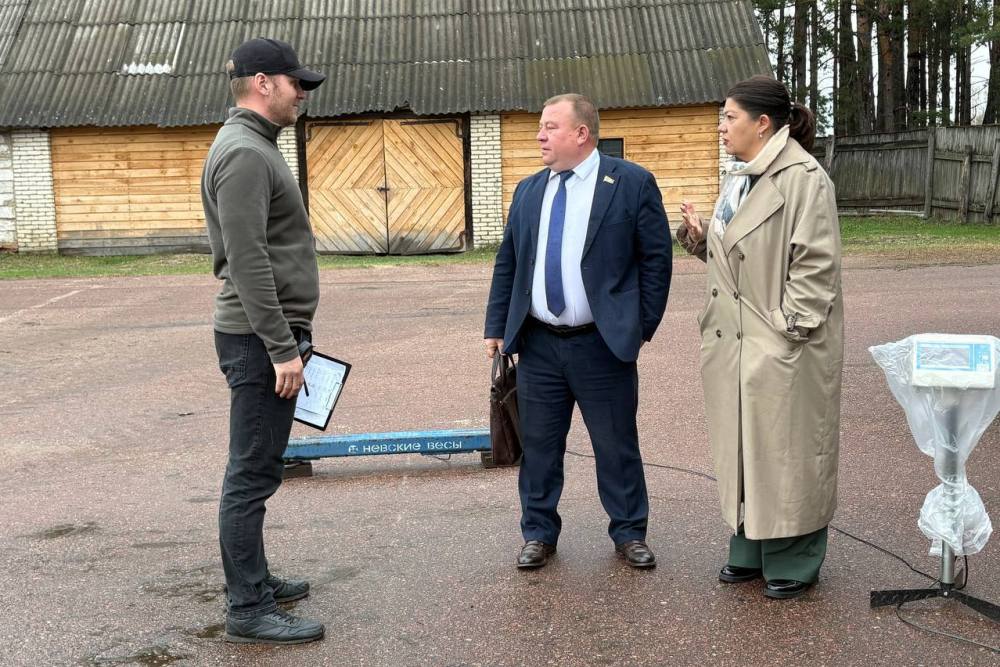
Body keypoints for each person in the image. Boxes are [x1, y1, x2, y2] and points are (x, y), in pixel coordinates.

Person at [484, 93, 672, 570]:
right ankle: (538, 533)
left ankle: (629, 532)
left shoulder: (630, 183)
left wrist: (640, 327)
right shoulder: (529, 190)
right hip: (539, 344)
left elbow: (656, 261)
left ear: (582, 133)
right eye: (540, 128)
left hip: (602, 344)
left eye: (550, 127)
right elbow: (509, 262)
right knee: (539, 449)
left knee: (616, 445)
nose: (539, 136)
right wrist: (496, 325)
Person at [677, 75, 844, 600]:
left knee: (788, 451)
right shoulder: (741, 177)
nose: (721, 127)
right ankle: (749, 543)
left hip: (781, 342)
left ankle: (794, 555)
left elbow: (815, 264)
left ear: (763, 123)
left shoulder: (804, 178)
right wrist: (701, 239)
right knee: (745, 446)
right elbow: (738, 253)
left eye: (729, 117)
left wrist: (788, 328)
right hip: (735, 341)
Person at [201, 37, 327, 643]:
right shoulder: (245, 153)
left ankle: (255, 579)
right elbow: (247, 260)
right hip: (258, 340)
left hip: (264, 334)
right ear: (263, 83)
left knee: (260, 466)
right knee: (251, 473)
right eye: (296, 83)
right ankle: (247, 608)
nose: (302, 94)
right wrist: (281, 347)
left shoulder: (254, 144)